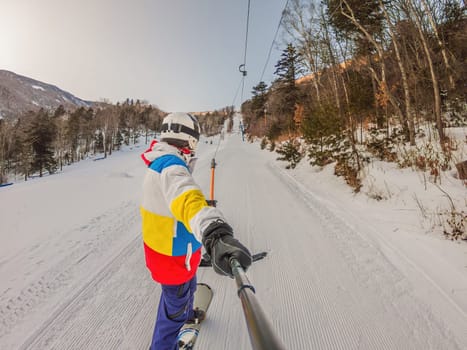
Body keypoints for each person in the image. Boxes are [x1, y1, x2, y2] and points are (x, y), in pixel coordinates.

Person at [140, 112, 252, 350]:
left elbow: (178, 203)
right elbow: (187, 198)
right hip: (173, 261)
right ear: (189, 140)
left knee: (186, 289)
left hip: (172, 255)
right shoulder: (172, 168)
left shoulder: (161, 162)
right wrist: (214, 229)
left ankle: (186, 310)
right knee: (173, 317)